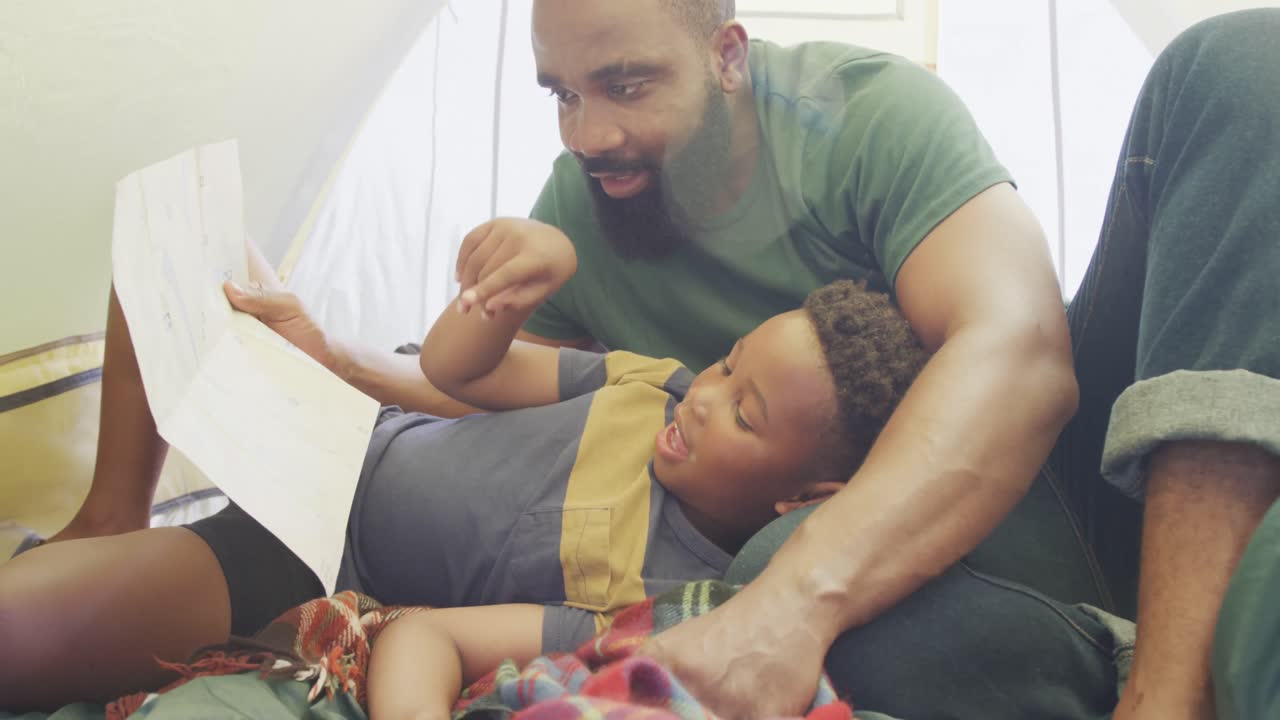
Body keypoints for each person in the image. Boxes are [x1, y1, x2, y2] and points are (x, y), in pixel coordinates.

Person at [25, 1, 1280, 717]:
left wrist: (788, 609)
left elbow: (1019, 351)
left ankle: (1164, 687)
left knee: (1240, 61)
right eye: (559, 93)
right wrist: (343, 361)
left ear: (728, 53)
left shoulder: (862, 121)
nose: (588, 133)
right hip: (866, 595)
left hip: (1043, 493)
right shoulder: (586, 206)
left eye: (626, 83)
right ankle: (103, 517)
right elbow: (487, 394)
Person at [0, 228, 929, 711]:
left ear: (803, 498)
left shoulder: (659, 595)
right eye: (727, 364)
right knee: (169, 263)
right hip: (336, 435)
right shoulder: (653, 385)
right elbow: (457, 371)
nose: (705, 398)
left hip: (303, 562)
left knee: (16, 635)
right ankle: (111, 510)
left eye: (745, 413)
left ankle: (106, 560)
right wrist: (509, 290)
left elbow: (437, 637)